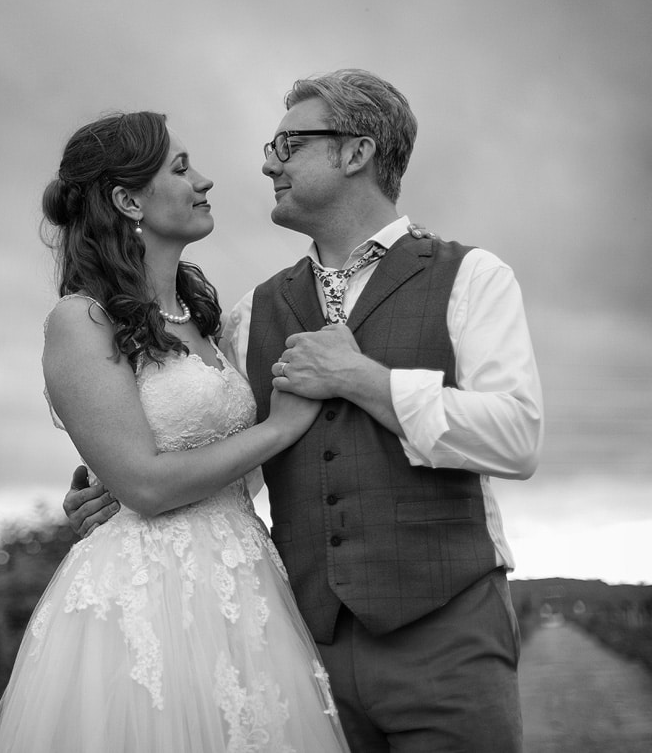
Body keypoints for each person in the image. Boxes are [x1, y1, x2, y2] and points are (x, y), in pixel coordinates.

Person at [65, 70, 544, 753]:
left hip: (449, 643)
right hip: (294, 649)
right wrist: (117, 494)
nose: (267, 162)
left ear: (357, 152)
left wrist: (367, 380)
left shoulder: (474, 278)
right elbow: (226, 453)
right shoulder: (249, 312)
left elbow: (519, 437)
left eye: (289, 144)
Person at [0, 112, 349, 752]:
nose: (204, 181)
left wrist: (109, 482)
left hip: (243, 583)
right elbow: (147, 485)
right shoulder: (79, 320)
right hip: (146, 596)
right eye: (180, 169)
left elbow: (221, 469)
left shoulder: (206, 323)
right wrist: (281, 427)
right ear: (127, 200)